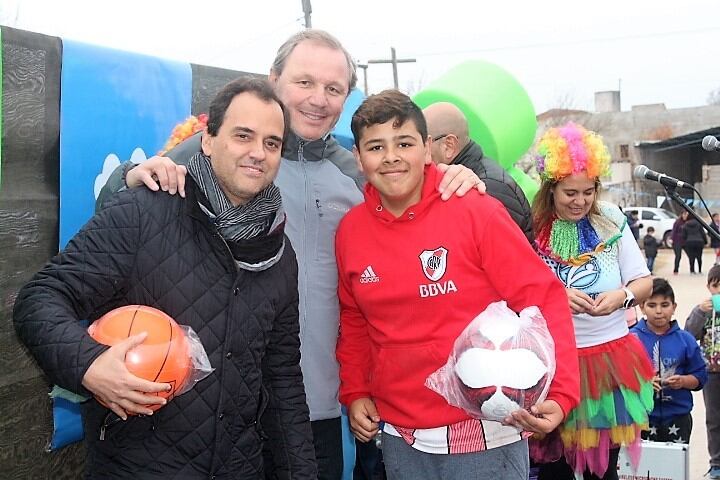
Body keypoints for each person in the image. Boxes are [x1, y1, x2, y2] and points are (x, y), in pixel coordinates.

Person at [95, 29, 485, 480]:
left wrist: (457, 180)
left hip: (311, 411)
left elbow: (420, 218)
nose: (318, 99)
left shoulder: (357, 173)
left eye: (333, 89)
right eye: (305, 83)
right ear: (274, 78)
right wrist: (128, 175)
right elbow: (119, 210)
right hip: (209, 409)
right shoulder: (221, 152)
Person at [13, 78, 317, 479]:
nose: (257, 153)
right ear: (208, 140)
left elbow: (283, 382)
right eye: (243, 136)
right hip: (137, 467)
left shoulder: (278, 251)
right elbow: (40, 298)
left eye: (272, 143)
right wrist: (88, 365)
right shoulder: (145, 211)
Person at [335, 90, 580, 480]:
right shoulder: (351, 231)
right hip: (401, 438)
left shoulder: (475, 209)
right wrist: (356, 389)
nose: (392, 156)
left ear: (428, 149)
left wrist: (561, 392)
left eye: (405, 143)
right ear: (359, 158)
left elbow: (542, 298)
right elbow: (355, 319)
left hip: (487, 431)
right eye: (376, 146)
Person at [529, 123, 654, 480]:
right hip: (554, 364)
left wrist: (623, 297)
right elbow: (516, 291)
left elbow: (643, 281)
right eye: (570, 192)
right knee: (555, 470)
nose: (580, 202)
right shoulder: (533, 227)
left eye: (588, 192)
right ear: (551, 188)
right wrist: (556, 297)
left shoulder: (611, 219)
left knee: (604, 470)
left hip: (609, 363)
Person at [422, 101, 533, 242]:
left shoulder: (487, 188)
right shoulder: (457, 180)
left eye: (423, 144)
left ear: (448, 146)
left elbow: (508, 259)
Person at [630, 277, 707, 443]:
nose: (659, 311)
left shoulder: (686, 340)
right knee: (644, 467)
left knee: (675, 467)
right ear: (642, 307)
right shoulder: (630, 339)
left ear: (674, 307)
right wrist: (641, 384)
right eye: (652, 305)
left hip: (678, 418)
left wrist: (684, 381)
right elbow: (618, 377)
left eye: (664, 305)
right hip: (641, 418)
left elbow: (700, 376)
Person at [685, 264, 720, 480]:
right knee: (714, 419)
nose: (719, 291)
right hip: (712, 373)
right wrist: (700, 311)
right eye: (716, 286)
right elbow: (689, 334)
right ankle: (716, 462)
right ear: (709, 287)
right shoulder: (704, 311)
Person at [671, 210, 689, 274]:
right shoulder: (677, 222)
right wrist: (672, 239)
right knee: (678, 256)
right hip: (677, 241)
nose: (685, 216)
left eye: (686, 214)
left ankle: (692, 269)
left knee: (690, 255)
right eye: (684, 214)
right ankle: (676, 269)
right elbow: (674, 231)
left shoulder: (688, 222)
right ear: (681, 215)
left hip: (685, 241)